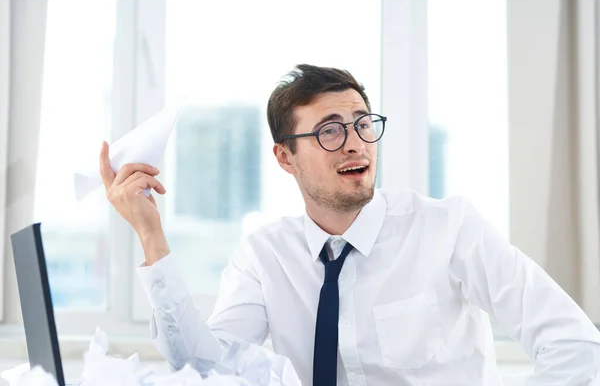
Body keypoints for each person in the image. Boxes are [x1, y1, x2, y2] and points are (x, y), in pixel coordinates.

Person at [99, 64, 600, 385]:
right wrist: (150, 234)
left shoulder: (449, 229)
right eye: (330, 131)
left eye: (363, 124)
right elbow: (205, 369)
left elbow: (575, 344)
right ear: (284, 156)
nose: (356, 144)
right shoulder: (264, 255)